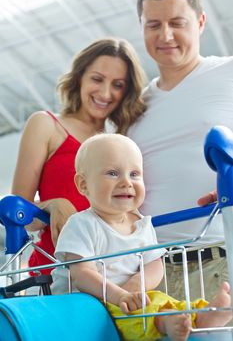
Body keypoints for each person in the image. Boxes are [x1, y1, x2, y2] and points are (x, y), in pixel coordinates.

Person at [52, 133, 232, 341]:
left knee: (160, 300)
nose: (126, 182)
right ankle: (167, 323)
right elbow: (82, 274)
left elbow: (155, 263)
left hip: (127, 300)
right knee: (134, 313)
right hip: (88, 305)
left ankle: (201, 316)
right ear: (83, 184)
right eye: (112, 173)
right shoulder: (81, 224)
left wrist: (138, 283)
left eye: (135, 174)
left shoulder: (142, 224)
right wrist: (119, 295)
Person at [126, 0, 233, 301]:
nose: (166, 35)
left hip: (221, 263)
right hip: (152, 275)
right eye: (154, 24)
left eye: (177, 22)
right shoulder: (132, 108)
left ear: (200, 22)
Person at [11, 37, 147, 275]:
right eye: (97, 79)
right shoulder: (46, 125)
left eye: (118, 84)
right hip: (56, 275)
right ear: (79, 77)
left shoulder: (123, 141)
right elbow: (17, 213)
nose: (106, 93)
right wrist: (53, 205)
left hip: (115, 275)